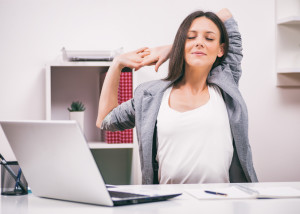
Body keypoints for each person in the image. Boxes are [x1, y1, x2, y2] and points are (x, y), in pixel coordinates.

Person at [96, 8, 258, 184]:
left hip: (222, 203)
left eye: (209, 38)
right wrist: (116, 64)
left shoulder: (227, 83)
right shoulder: (150, 96)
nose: (199, 43)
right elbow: (105, 119)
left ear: (221, 50)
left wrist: (172, 48)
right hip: (168, 205)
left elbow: (226, 14)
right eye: (190, 37)